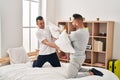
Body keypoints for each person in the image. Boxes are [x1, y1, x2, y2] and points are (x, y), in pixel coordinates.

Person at [67, 14, 103, 78]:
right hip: (81, 56)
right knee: (77, 68)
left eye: (73, 21)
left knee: (70, 77)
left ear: (77, 21)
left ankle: (90, 73)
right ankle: (91, 70)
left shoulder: (76, 34)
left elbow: (65, 41)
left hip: (76, 57)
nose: (72, 23)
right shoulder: (86, 31)